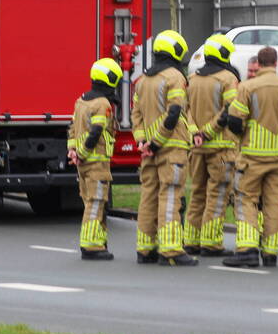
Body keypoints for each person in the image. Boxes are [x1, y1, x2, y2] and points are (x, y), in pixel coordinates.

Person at [222, 46, 278, 268]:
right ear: (276, 63)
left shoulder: (247, 87)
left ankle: (247, 249)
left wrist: (245, 134)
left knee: (246, 199)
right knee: (274, 203)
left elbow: (235, 120)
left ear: (260, 64)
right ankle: (271, 252)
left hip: (252, 155)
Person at [132, 30, 198, 267]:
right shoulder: (175, 77)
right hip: (171, 148)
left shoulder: (142, 80)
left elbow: (136, 115)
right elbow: (174, 111)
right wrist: (159, 140)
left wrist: (143, 142)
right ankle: (170, 250)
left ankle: (145, 248)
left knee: (148, 196)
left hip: (149, 150)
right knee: (170, 195)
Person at [186, 33, 240, 256]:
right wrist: (208, 132)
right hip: (221, 150)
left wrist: (195, 133)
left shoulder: (192, 78)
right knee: (217, 196)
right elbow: (229, 110)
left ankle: (190, 240)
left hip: (196, 148)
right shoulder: (228, 79)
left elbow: (185, 110)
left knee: (197, 193)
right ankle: (211, 243)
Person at [68, 58, 123, 260]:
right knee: (96, 201)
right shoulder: (102, 104)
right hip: (96, 162)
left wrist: (73, 151)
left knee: (90, 201)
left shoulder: (81, 101)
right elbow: (96, 132)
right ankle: (91, 245)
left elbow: (72, 129)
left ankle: (98, 242)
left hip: (83, 164)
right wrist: (82, 153)